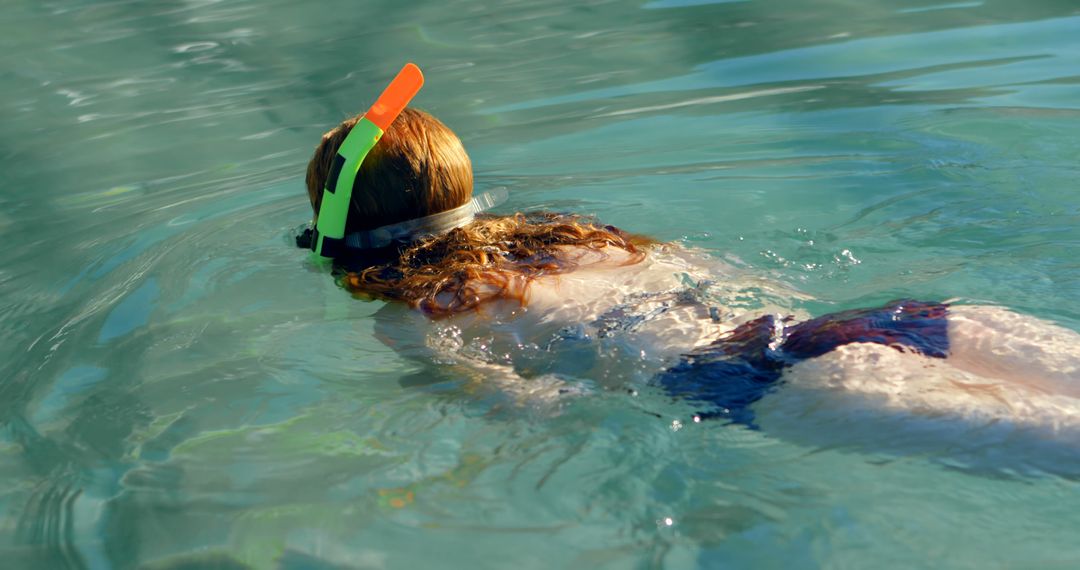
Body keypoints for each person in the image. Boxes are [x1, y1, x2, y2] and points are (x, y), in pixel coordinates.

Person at [298, 82, 1080, 473]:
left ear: (338, 231)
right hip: (876, 321)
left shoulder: (411, 318)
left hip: (751, 386)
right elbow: (724, 275)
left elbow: (531, 407)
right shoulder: (571, 233)